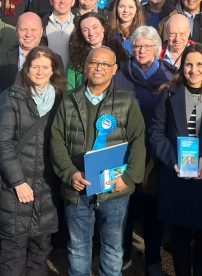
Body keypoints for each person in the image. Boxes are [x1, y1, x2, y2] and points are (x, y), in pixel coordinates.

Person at [50, 47, 146, 276]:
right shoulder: (68, 100)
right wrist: (69, 173)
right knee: (78, 248)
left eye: (105, 64)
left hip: (115, 190)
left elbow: (138, 141)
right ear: (85, 66)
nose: (98, 68)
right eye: (94, 63)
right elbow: (56, 140)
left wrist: (129, 178)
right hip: (78, 188)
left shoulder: (127, 100)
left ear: (114, 70)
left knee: (113, 248)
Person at [149, 43, 202, 276]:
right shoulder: (168, 93)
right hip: (176, 173)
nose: (194, 70)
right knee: (178, 236)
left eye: (200, 64)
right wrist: (172, 160)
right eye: (189, 64)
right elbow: (156, 134)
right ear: (182, 66)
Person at [0, 46, 65, 276]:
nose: (40, 71)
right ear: (26, 68)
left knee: (40, 249)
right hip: (17, 186)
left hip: (47, 186)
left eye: (46, 67)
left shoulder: (61, 98)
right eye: (35, 66)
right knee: (14, 250)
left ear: (53, 70)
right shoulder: (12, 96)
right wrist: (18, 182)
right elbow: (2, 144)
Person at [114, 26, 177, 276]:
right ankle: (124, 254)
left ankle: (153, 259)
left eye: (147, 46)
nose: (141, 50)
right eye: (137, 46)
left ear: (157, 48)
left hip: (156, 153)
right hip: (126, 150)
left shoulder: (170, 77)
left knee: (153, 207)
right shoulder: (120, 75)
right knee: (125, 206)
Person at [66, 13, 127, 90]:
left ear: (103, 28)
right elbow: (70, 89)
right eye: (85, 30)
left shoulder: (121, 54)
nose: (91, 33)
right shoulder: (75, 59)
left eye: (95, 27)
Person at [0, 12, 46, 92]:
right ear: (16, 31)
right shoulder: (0, 59)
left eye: (34, 30)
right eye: (23, 29)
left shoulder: (53, 59)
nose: (28, 34)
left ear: (41, 32)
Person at [42, 0, 76, 69]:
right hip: (47, 78)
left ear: (73, 2)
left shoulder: (81, 25)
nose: (62, 1)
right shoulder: (41, 25)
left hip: (74, 79)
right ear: (51, 1)